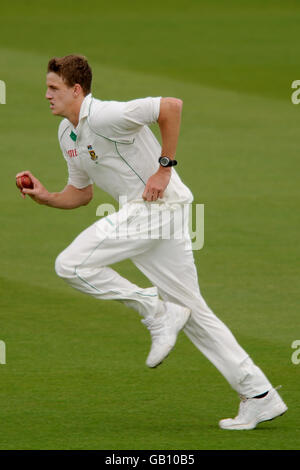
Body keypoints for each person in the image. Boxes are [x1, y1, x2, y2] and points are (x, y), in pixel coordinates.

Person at [16, 54, 287, 430]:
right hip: (153, 214)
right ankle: (260, 395)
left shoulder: (108, 115)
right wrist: (46, 196)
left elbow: (170, 107)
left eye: (53, 88)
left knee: (71, 265)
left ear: (76, 90)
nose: (46, 95)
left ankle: (154, 311)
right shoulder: (67, 133)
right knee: (193, 311)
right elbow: (80, 193)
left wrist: (164, 168)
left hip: (155, 207)